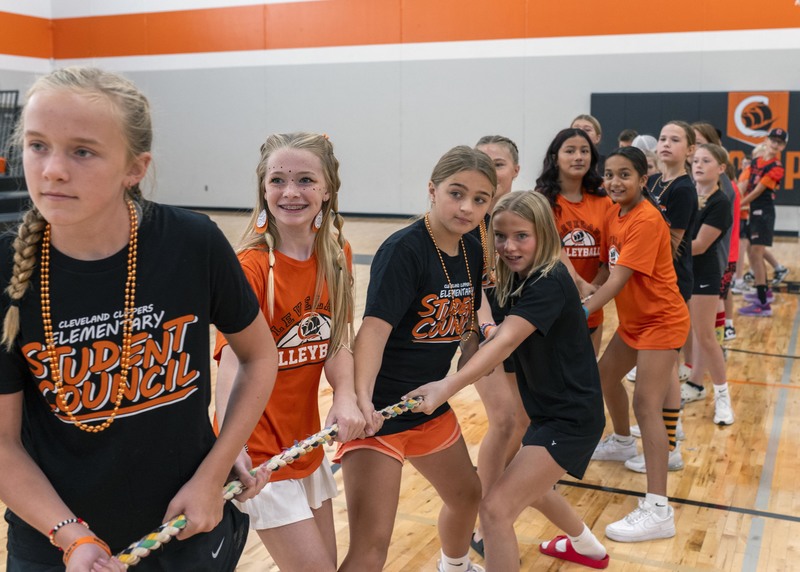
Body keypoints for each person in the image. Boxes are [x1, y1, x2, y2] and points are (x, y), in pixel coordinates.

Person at [0, 67, 277, 571]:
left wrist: (213, 472)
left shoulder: (192, 243)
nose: (53, 170)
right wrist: (73, 538)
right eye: (38, 145)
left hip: (186, 529)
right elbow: (3, 442)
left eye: (82, 152)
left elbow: (259, 356)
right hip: (55, 541)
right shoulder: (7, 270)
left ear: (135, 168)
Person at [410, 190, 609, 570]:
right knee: (532, 489)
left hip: (571, 420)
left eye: (521, 236)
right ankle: (589, 548)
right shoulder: (514, 278)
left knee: (495, 509)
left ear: (543, 235)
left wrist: (447, 386)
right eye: (500, 236)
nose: (509, 246)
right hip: (548, 414)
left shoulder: (550, 281)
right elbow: (483, 317)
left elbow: (504, 341)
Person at [336, 146, 495, 572]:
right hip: (380, 413)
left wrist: (474, 344)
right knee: (372, 547)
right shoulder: (404, 249)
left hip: (427, 405)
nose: (467, 207)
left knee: (467, 495)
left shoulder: (473, 247)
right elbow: (373, 331)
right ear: (432, 190)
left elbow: (466, 311)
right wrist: (362, 401)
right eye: (456, 193)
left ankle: (454, 566)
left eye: (480, 199)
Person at [213, 132, 365, 572]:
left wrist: (345, 395)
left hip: (304, 444)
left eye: (305, 180)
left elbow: (337, 343)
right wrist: (231, 444)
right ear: (263, 188)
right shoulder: (250, 268)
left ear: (327, 189)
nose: (291, 192)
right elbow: (231, 366)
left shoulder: (336, 255)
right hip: (257, 453)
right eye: (278, 180)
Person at [585, 147, 690, 541]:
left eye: (625, 174)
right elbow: (604, 270)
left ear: (644, 179)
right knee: (602, 378)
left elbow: (617, 280)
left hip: (661, 322)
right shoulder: (615, 213)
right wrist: (582, 290)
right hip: (635, 322)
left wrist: (580, 312)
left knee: (646, 404)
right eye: (610, 174)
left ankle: (659, 509)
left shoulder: (646, 219)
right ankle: (622, 441)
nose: (615, 182)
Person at [469, 135, 526, 558]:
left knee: (521, 421)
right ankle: (485, 516)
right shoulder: (468, 221)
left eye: (499, 163)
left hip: (520, 332)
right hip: (482, 335)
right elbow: (471, 290)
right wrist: (487, 327)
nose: (491, 169)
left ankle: (498, 504)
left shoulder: (524, 215)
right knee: (505, 422)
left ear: (515, 171)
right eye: (483, 162)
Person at [535, 128, 612, 355]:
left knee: (588, 372)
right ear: (555, 158)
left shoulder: (605, 201)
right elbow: (550, 249)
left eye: (584, 151)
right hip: (554, 304)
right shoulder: (542, 200)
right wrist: (577, 284)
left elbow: (610, 254)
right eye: (570, 151)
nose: (579, 157)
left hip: (591, 302)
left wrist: (592, 290)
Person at [682, 144, 734, 424]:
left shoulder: (720, 203)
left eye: (706, 161)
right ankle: (694, 383)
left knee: (705, 336)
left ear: (721, 168)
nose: (699, 165)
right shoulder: (689, 195)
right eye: (696, 161)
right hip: (684, 272)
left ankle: (723, 397)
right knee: (691, 333)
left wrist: (660, 247)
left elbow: (700, 245)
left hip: (704, 276)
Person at [737, 128, 789, 317]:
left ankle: (762, 304)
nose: (775, 144)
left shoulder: (777, 167)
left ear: (783, 146)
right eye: (773, 140)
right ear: (766, 140)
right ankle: (764, 292)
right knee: (753, 253)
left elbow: (758, 191)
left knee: (756, 254)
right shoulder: (756, 162)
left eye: (779, 142)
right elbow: (745, 184)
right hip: (754, 212)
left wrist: (738, 205)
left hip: (764, 213)